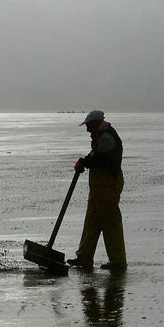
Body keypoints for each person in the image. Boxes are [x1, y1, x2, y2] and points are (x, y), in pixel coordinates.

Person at [67, 110, 127, 270]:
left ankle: (118, 262)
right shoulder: (101, 136)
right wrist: (84, 161)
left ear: (95, 123)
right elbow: (96, 155)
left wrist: (85, 162)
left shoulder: (107, 137)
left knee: (110, 223)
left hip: (107, 186)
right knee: (91, 222)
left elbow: (102, 159)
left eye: (88, 126)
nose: (87, 130)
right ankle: (84, 258)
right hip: (99, 187)